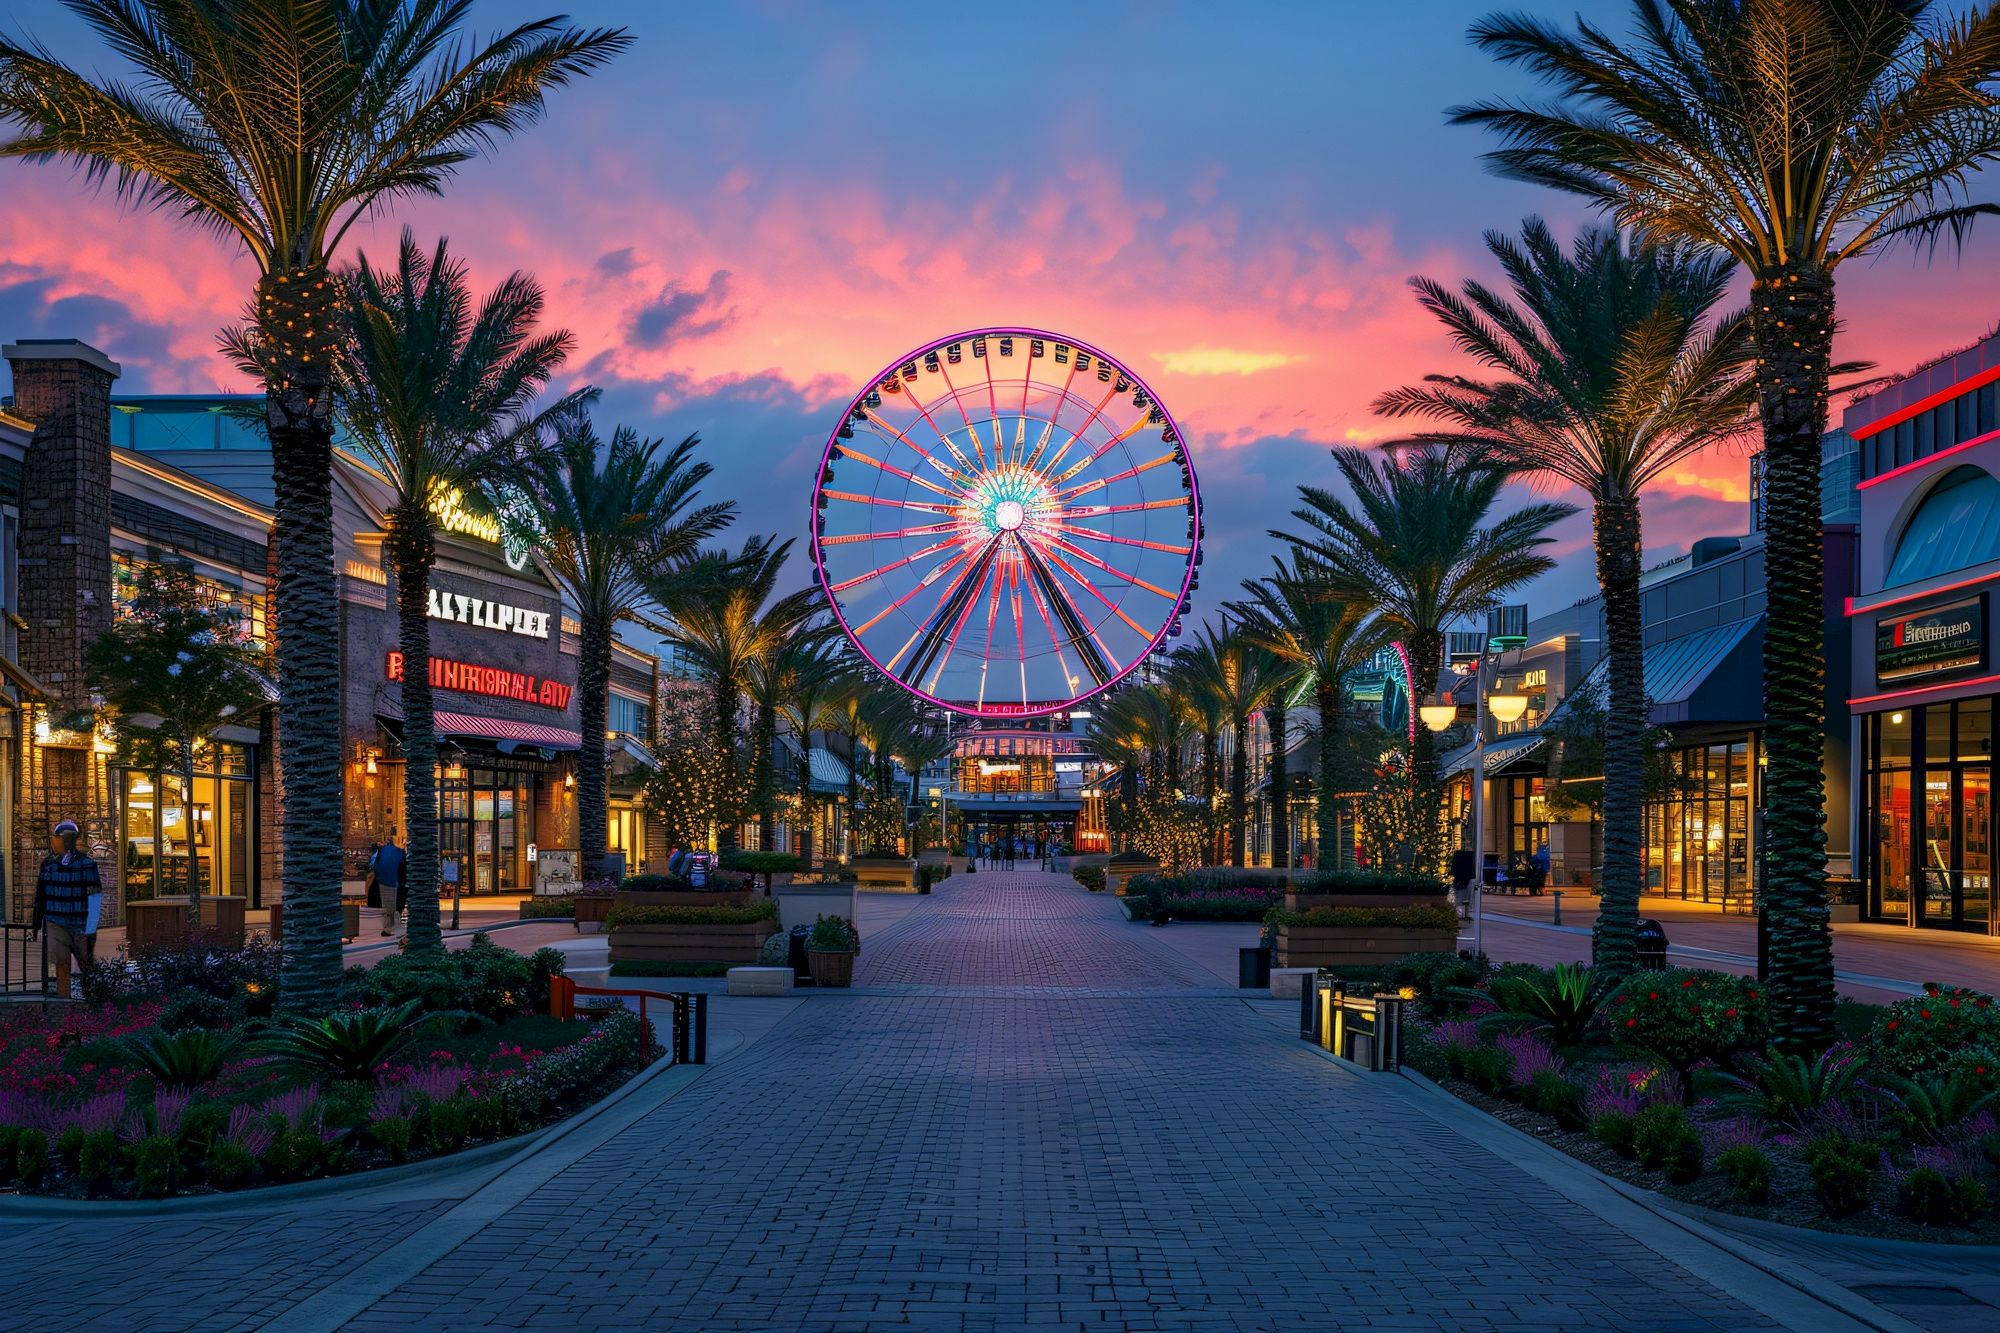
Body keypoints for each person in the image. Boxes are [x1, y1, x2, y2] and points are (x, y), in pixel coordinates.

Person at [32, 818, 98, 999]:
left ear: (66, 839)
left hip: (80, 924)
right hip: (56, 922)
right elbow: (41, 896)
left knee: (86, 965)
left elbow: (94, 898)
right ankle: (63, 1002)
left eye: (56, 837)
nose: (53, 841)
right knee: (61, 964)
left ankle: (90, 1000)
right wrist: (36, 924)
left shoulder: (87, 865)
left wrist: (91, 928)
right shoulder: (48, 865)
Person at [372, 831, 408, 937]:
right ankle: (392, 927)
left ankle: (388, 928)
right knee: (395, 906)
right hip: (396, 883)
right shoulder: (399, 853)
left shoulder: (382, 853)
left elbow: (373, 865)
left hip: (385, 882)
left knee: (388, 907)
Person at [1449, 847, 1476, 920]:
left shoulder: (1458, 857)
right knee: (1467, 897)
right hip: (1467, 877)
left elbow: (1453, 870)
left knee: (1459, 898)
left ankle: (1460, 914)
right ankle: (1466, 913)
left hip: (1460, 879)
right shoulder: (1470, 858)